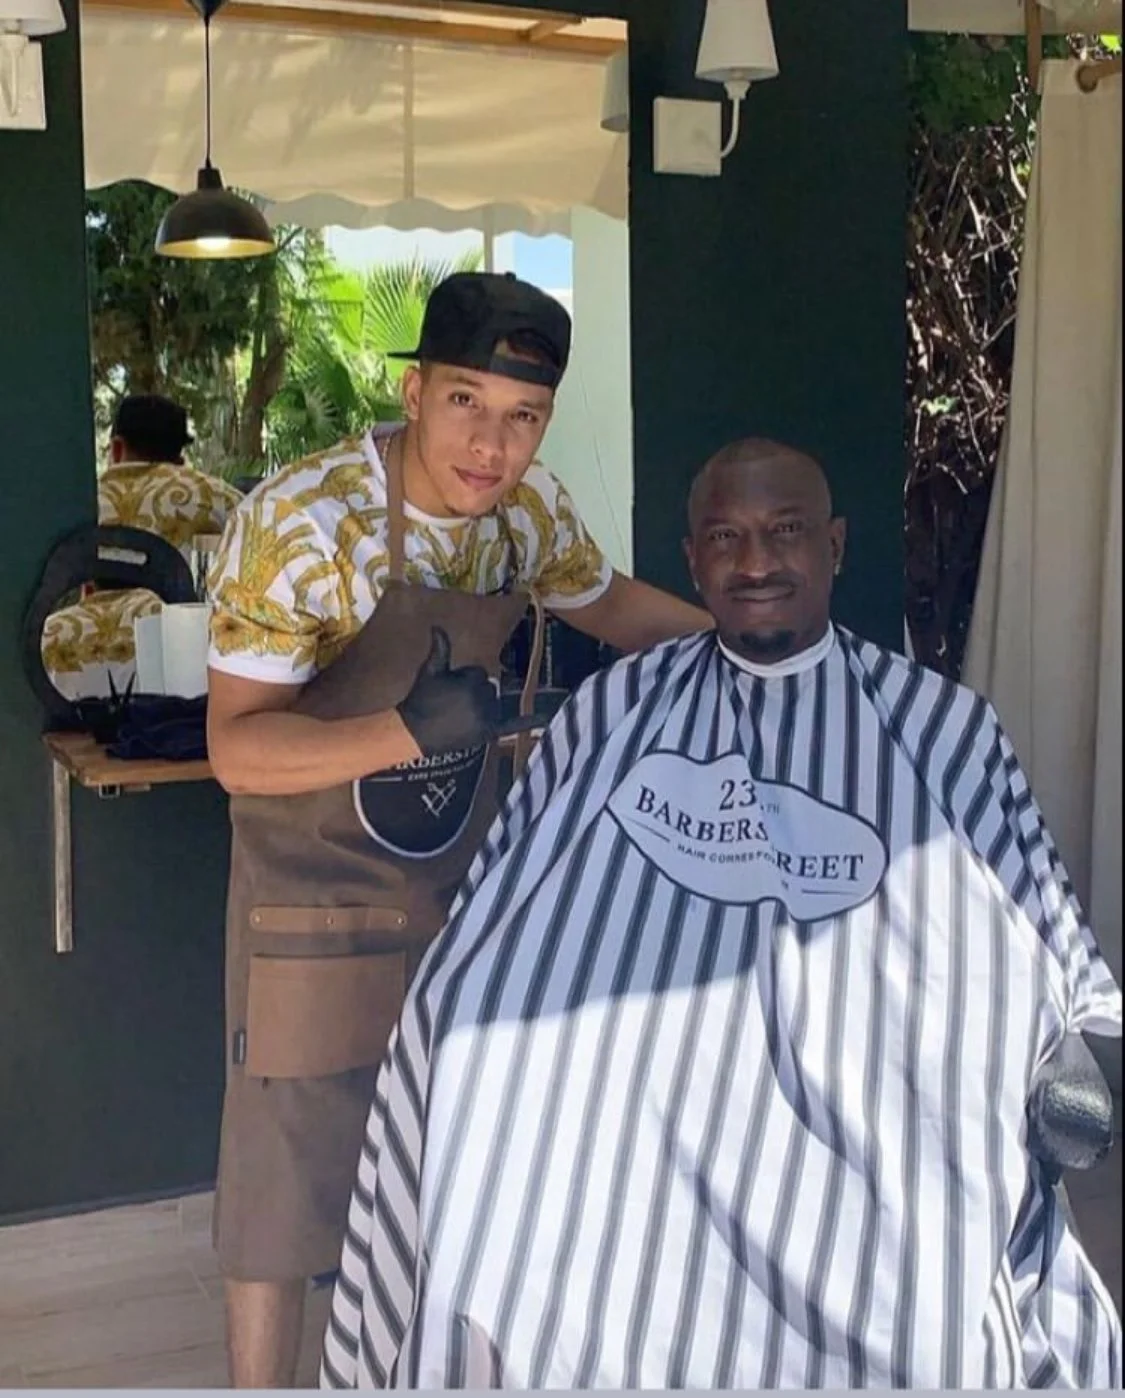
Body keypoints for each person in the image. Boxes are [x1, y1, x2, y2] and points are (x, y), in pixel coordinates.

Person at [320, 437, 1123, 1390]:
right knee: (484, 1080)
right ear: (691, 558)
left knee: (922, 1162)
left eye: (784, 534)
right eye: (725, 538)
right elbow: (508, 892)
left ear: (832, 546)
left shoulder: (940, 726)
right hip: (638, 1082)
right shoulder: (613, 710)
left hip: (870, 1069)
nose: (754, 563)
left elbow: (1044, 916)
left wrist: (1090, 1024)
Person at [204, 271, 711, 1388]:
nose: (491, 445)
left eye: (523, 416)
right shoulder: (302, 525)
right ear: (415, 388)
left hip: (462, 897)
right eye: (465, 404)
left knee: (457, 1160)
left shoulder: (525, 520)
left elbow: (615, 607)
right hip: (315, 897)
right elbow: (239, 749)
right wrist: (399, 728)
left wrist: (745, 649)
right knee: (285, 1186)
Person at [41, 394, 241, 700]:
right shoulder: (222, 500)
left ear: (118, 447)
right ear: (179, 455)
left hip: (71, 679)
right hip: (189, 685)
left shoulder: (77, 502)